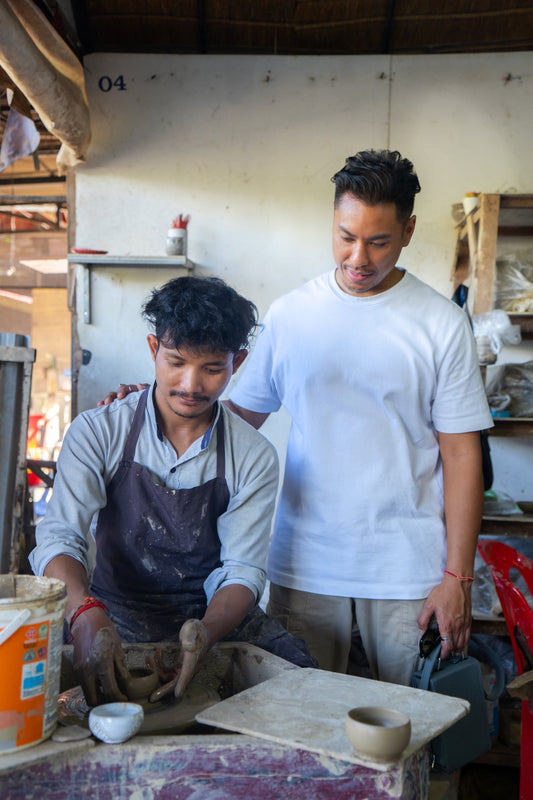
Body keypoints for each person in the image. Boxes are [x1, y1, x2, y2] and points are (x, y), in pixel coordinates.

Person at [106, 150, 493, 687]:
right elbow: (232, 421)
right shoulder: (292, 315)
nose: (358, 256)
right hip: (306, 564)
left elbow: (461, 453)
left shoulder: (441, 324)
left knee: (409, 728)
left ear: (407, 231)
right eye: (345, 235)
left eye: (378, 241)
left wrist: (457, 576)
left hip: (409, 571)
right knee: (302, 728)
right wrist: (150, 402)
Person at [30, 275, 314, 707]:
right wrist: (84, 614)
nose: (190, 384)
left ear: (237, 363)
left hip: (210, 616)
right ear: (152, 349)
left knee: (306, 685)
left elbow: (242, 571)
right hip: (110, 613)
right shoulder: (99, 431)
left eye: (212, 368)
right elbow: (58, 537)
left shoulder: (252, 455)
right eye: (176, 361)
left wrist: (206, 633)